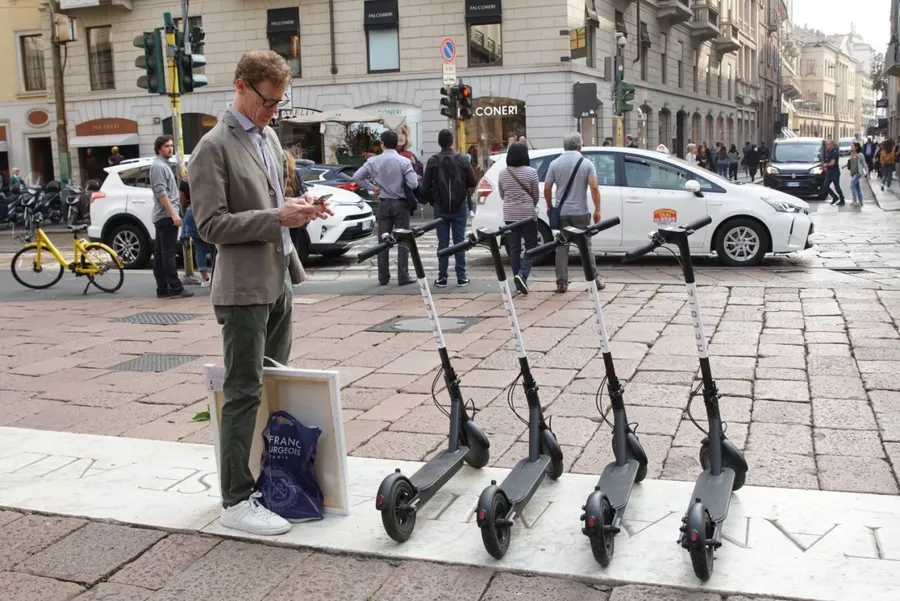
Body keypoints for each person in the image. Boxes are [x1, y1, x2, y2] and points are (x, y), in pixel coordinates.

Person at [190, 50, 332, 537]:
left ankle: (273, 480)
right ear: (241, 86)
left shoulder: (269, 138)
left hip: (277, 280)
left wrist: (303, 205)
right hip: (242, 288)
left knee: (275, 389)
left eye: (279, 103)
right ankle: (234, 499)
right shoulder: (212, 147)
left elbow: (275, 203)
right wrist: (277, 217)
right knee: (244, 393)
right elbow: (210, 226)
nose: (274, 111)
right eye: (268, 101)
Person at [353, 130, 419, 286]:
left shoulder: (373, 161)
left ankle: (383, 276)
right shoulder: (404, 161)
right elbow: (414, 184)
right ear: (397, 144)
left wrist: (372, 187)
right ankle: (403, 275)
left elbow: (357, 177)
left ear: (382, 144)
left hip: (383, 203)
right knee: (403, 240)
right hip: (401, 203)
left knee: (383, 241)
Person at [544, 132, 603, 294]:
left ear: (564, 146)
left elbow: (547, 188)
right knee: (586, 247)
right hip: (581, 213)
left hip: (562, 213)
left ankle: (561, 282)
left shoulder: (554, 164)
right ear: (580, 146)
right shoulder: (587, 164)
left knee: (562, 247)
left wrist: (549, 206)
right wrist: (598, 209)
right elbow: (594, 188)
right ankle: (594, 280)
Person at [422, 128, 476, 287]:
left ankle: (442, 277)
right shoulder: (462, 160)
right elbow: (473, 182)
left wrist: (433, 201)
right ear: (452, 142)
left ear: (439, 143)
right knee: (459, 241)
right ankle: (461, 276)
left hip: (440, 208)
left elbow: (425, 188)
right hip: (460, 206)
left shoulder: (433, 161)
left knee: (442, 242)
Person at [149, 135, 192, 299]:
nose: (170, 149)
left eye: (171, 146)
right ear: (159, 148)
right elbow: (161, 192)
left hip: (163, 216)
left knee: (160, 254)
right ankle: (175, 287)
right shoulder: (159, 167)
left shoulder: (161, 166)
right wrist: (173, 214)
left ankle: (162, 288)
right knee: (168, 253)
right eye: (167, 146)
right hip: (166, 216)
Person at [498, 142, 539, 294]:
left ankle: (518, 279)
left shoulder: (503, 173)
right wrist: (529, 204)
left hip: (509, 214)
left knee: (514, 248)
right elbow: (535, 195)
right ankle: (522, 275)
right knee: (531, 246)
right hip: (528, 214)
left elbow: (502, 195)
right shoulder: (532, 172)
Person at [179, 176, 211, 287]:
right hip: (204, 212)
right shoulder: (206, 177)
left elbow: (182, 200)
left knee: (199, 248)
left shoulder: (184, 181)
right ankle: (217, 276)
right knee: (213, 247)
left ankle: (205, 279)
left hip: (190, 212)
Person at [824, 139, 845, 205]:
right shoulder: (828, 152)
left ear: (831, 145)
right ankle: (835, 197)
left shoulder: (834, 153)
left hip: (835, 172)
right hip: (829, 172)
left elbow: (832, 163)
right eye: (826, 144)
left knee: (837, 187)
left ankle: (842, 199)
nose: (826, 146)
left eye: (827, 144)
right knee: (825, 186)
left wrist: (826, 165)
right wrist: (826, 166)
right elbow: (827, 161)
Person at [847, 142, 868, 207]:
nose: (851, 147)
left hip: (858, 173)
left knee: (852, 184)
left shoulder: (860, 155)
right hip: (853, 173)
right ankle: (861, 201)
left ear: (856, 147)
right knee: (857, 187)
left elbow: (864, 164)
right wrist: (845, 166)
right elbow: (851, 163)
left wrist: (867, 172)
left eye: (852, 146)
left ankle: (855, 201)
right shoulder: (851, 154)